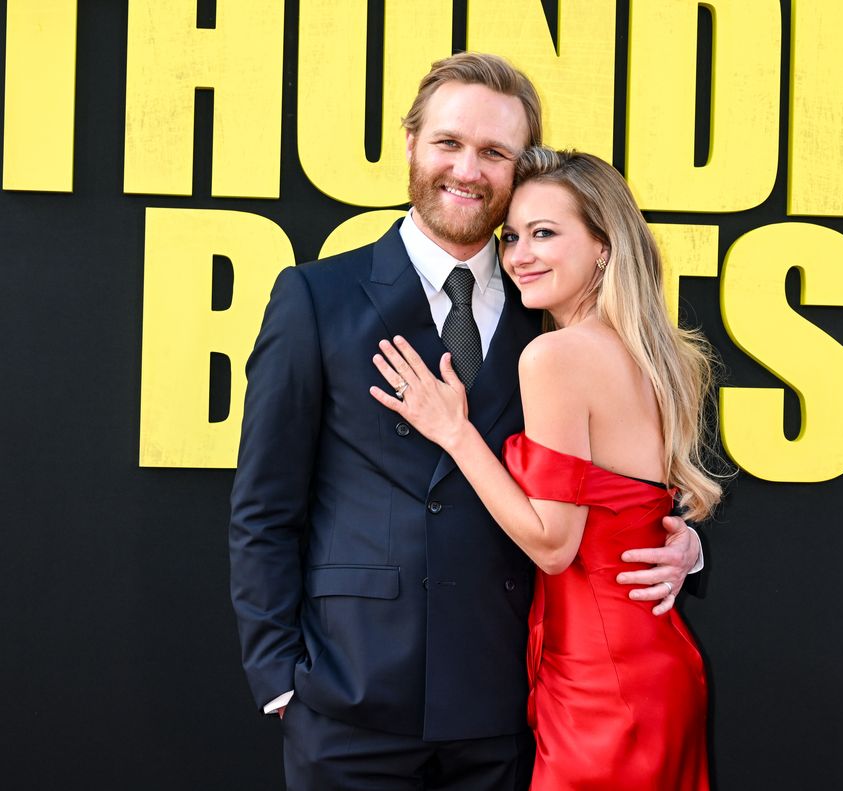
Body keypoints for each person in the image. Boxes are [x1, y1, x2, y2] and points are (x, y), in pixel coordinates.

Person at [229, 53, 703, 790]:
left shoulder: (550, 305)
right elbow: (265, 504)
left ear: (521, 171)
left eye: (494, 153)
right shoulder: (316, 298)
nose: (467, 169)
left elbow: (618, 476)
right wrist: (279, 678)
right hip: (349, 701)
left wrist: (684, 547)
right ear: (412, 144)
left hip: (510, 706)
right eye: (449, 143)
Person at [369, 147, 722, 789]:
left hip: (602, 681)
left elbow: (554, 546)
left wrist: (456, 432)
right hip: (653, 663)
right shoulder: (661, 357)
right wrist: (689, 547)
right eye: (511, 237)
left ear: (604, 246)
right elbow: (639, 513)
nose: (519, 255)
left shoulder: (554, 356)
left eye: (545, 234)